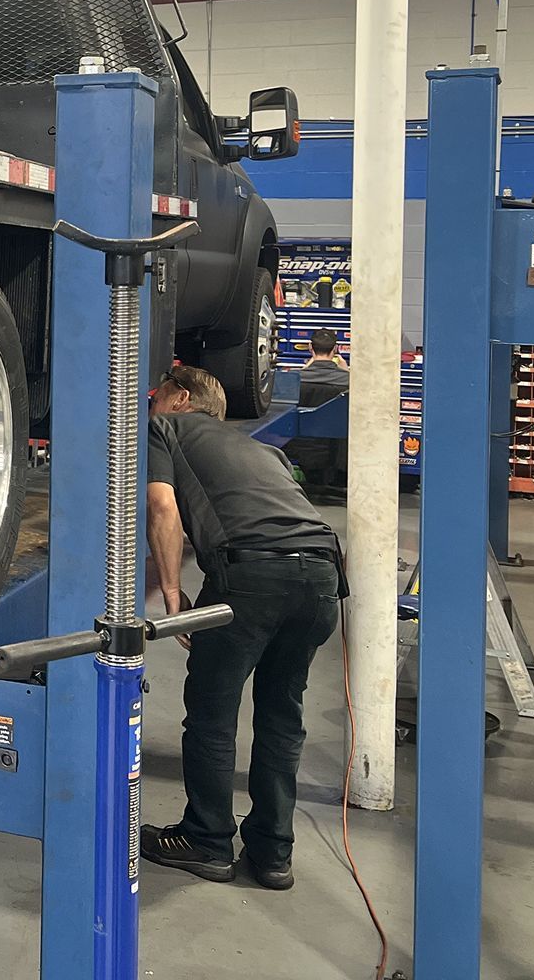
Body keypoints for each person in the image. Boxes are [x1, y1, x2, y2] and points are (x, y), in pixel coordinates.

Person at [140, 364, 345, 890]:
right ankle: (273, 853)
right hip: (321, 578)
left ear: (180, 398)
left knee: (212, 712)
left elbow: (162, 508)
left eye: (158, 392)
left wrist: (170, 592)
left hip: (252, 576)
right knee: (282, 715)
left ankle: (207, 842)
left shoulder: (165, 428)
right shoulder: (265, 451)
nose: (149, 398)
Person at [300, 327, 350, 405]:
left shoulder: (293, 378)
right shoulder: (348, 380)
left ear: (310, 347)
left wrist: (304, 370)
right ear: (335, 348)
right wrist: (347, 373)